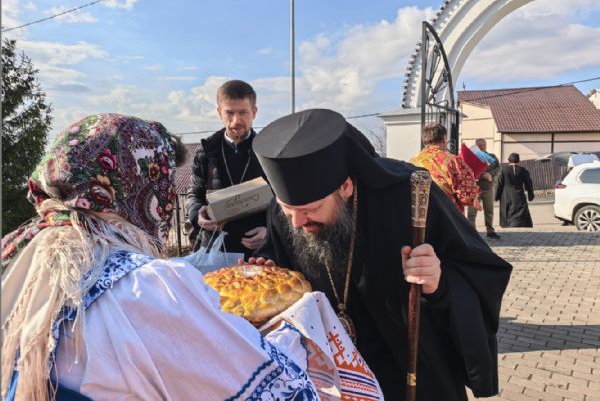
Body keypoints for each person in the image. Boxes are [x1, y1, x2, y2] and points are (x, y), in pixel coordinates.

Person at [1, 114, 317, 401]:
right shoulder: (149, 289)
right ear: (143, 186)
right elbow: (278, 387)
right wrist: (297, 326)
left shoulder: (18, 257)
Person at [250, 109, 513, 400]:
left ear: (345, 186)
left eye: (310, 210)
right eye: (287, 211)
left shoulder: (412, 193)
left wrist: (439, 282)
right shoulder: (287, 212)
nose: (297, 223)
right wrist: (266, 271)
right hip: (329, 375)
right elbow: (280, 258)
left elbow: (481, 273)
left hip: (407, 370)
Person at [187, 80, 267, 259]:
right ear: (219, 112)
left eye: (243, 112)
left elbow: (282, 203)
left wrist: (269, 231)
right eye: (229, 113)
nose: (236, 120)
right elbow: (194, 194)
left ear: (254, 112)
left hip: (259, 254)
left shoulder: (268, 152)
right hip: (215, 250)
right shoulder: (206, 152)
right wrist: (198, 216)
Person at [410, 122, 480, 214]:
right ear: (444, 139)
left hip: (419, 215)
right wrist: (474, 198)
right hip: (445, 215)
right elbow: (466, 196)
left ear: (424, 141)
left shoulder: (412, 161)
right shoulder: (453, 161)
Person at [467, 139, 501, 239]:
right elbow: (468, 171)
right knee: (472, 212)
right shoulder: (471, 158)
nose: (482, 147)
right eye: (479, 145)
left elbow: (499, 168)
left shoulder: (491, 157)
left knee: (489, 210)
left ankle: (490, 231)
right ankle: (471, 231)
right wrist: (483, 175)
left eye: (483, 145)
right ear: (476, 146)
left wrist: (490, 174)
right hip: (475, 188)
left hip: (488, 188)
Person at [495, 152, 535, 228]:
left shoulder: (503, 170)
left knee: (507, 211)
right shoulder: (523, 170)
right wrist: (531, 195)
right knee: (521, 211)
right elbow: (529, 183)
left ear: (509, 160)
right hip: (519, 195)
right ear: (518, 160)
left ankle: (508, 225)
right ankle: (520, 224)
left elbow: (498, 185)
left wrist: (496, 196)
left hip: (506, 196)